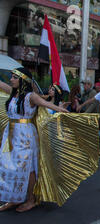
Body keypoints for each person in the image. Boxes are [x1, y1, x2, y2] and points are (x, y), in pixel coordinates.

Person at [0, 67, 68, 212]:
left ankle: (31, 199)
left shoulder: (31, 96)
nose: (11, 79)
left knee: (27, 167)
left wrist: (64, 111)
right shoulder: (13, 93)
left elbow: (49, 105)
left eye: (14, 77)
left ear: (23, 80)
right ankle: (13, 199)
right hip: (11, 133)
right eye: (11, 77)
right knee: (8, 165)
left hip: (25, 135)